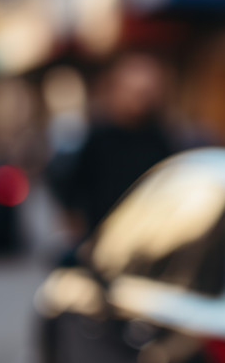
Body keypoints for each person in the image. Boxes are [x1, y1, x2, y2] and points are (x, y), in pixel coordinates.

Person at [54, 52, 176, 240]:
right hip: (104, 239)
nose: (139, 100)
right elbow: (72, 188)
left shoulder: (162, 139)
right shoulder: (99, 138)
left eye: (145, 92)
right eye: (133, 91)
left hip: (148, 238)